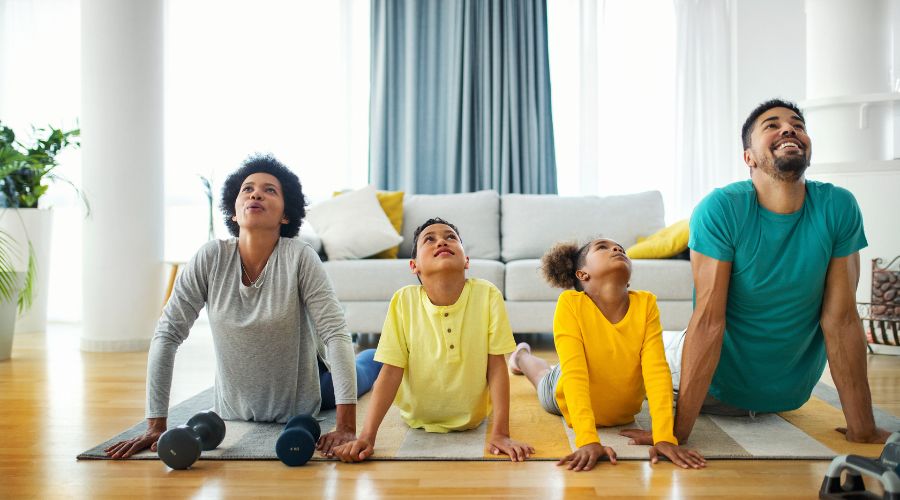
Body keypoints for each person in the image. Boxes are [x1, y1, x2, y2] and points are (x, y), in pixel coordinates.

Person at [105, 154, 382, 459]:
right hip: (232, 408)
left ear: (285, 216)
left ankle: (375, 356)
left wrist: (345, 425)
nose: (255, 193)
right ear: (234, 212)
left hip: (311, 391)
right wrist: (155, 425)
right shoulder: (209, 258)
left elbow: (335, 334)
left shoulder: (300, 257)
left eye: (269, 190)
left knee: (366, 368)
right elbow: (167, 335)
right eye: (247, 189)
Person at [669, 98, 892, 444]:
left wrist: (863, 427)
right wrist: (676, 435)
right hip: (706, 381)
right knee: (579, 385)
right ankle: (548, 372)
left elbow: (842, 320)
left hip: (786, 396)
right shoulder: (722, 209)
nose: (789, 128)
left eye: (798, 125)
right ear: (749, 158)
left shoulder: (838, 207)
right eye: (771, 125)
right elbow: (709, 321)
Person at [331, 218, 534, 462]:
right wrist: (367, 436)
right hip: (416, 417)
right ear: (414, 265)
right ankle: (368, 357)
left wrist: (500, 433)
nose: (441, 241)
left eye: (450, 237)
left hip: (472, 418)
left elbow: (497, 366)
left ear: (466, 261)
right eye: (430, 239)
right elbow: (391, 371)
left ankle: (522, 358)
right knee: (378, 363)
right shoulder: (403, 300)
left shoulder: (488, 294)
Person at [508, 238, 705, 472]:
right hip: (567, 386)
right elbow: (574, 374)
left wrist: (664, 436)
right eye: (602, 247)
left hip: (619, 406)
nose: (616, 249)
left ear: (628, 278)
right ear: (582, 274)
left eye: (620, 248)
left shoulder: (646, 304)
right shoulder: (570, 303)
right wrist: (588, 440)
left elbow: (656, 370)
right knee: (543, 376)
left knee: (554, 370)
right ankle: (521, 355)